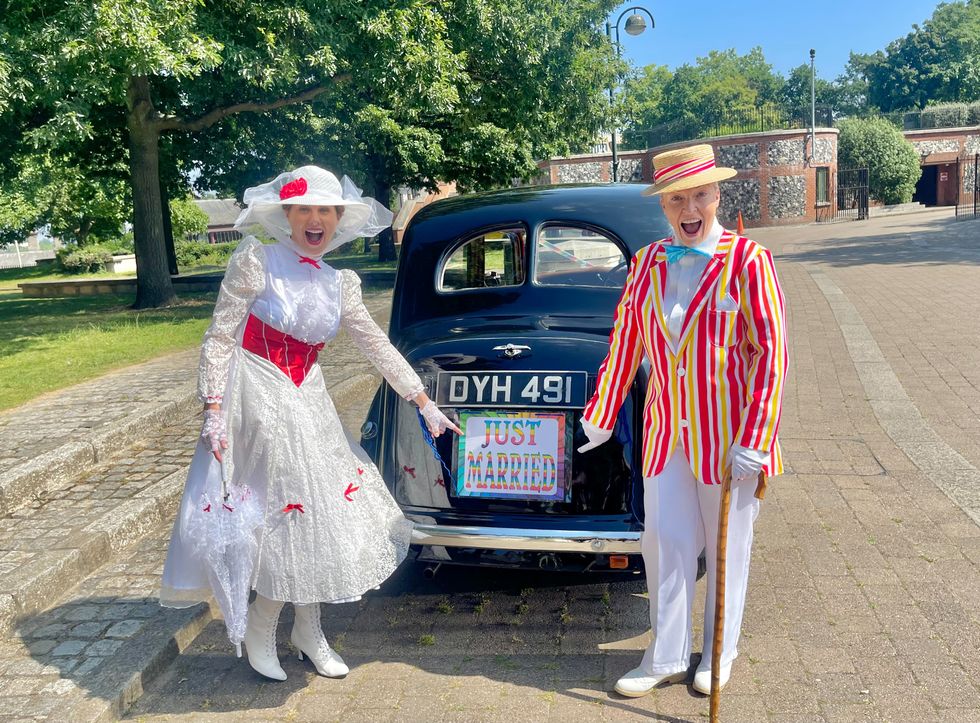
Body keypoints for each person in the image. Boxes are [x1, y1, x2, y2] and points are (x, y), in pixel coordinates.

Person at [159, 165, 460, 681]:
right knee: (283, 512)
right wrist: (212, 406)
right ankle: (261, 622)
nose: (315, 220)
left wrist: (422, 400)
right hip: (256, 396)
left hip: (308, 398)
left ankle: (307, 630)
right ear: (288, 215)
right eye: (305, 210)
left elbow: (375, 344)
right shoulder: (257, 261)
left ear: (338, 220)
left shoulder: (341, 282)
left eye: (326, 211)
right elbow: (220, 336)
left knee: (317, 512)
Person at [578, 144, 787, 696]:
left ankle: (720, 651)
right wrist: (601, 413)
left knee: (725, 550)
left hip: (729, 439)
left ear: (718, 195)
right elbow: (626, 341)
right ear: (664, 207)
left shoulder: (748, 261)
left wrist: (757, 439)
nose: (689, 208)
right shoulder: (647, 262)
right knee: (664, 543)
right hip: (666, 432)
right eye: (676, 199)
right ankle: (665, 653)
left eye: (699, 195)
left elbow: (772, 352)